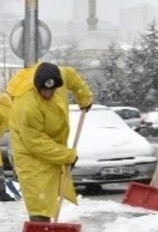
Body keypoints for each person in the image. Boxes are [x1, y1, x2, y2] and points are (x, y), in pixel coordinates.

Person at [7, 61, 94, 221]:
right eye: (45, 91)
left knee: (51, 196)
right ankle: (39, 231)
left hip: (53, 147)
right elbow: (35, 142)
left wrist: (84, 97)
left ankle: (45, 228)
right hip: (30, 155)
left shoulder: (59, 78)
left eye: (53, 90)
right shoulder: (27, 105)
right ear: (37, 86)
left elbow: (71, 76)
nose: (49, 94)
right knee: (38, 200)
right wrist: (67, 155)